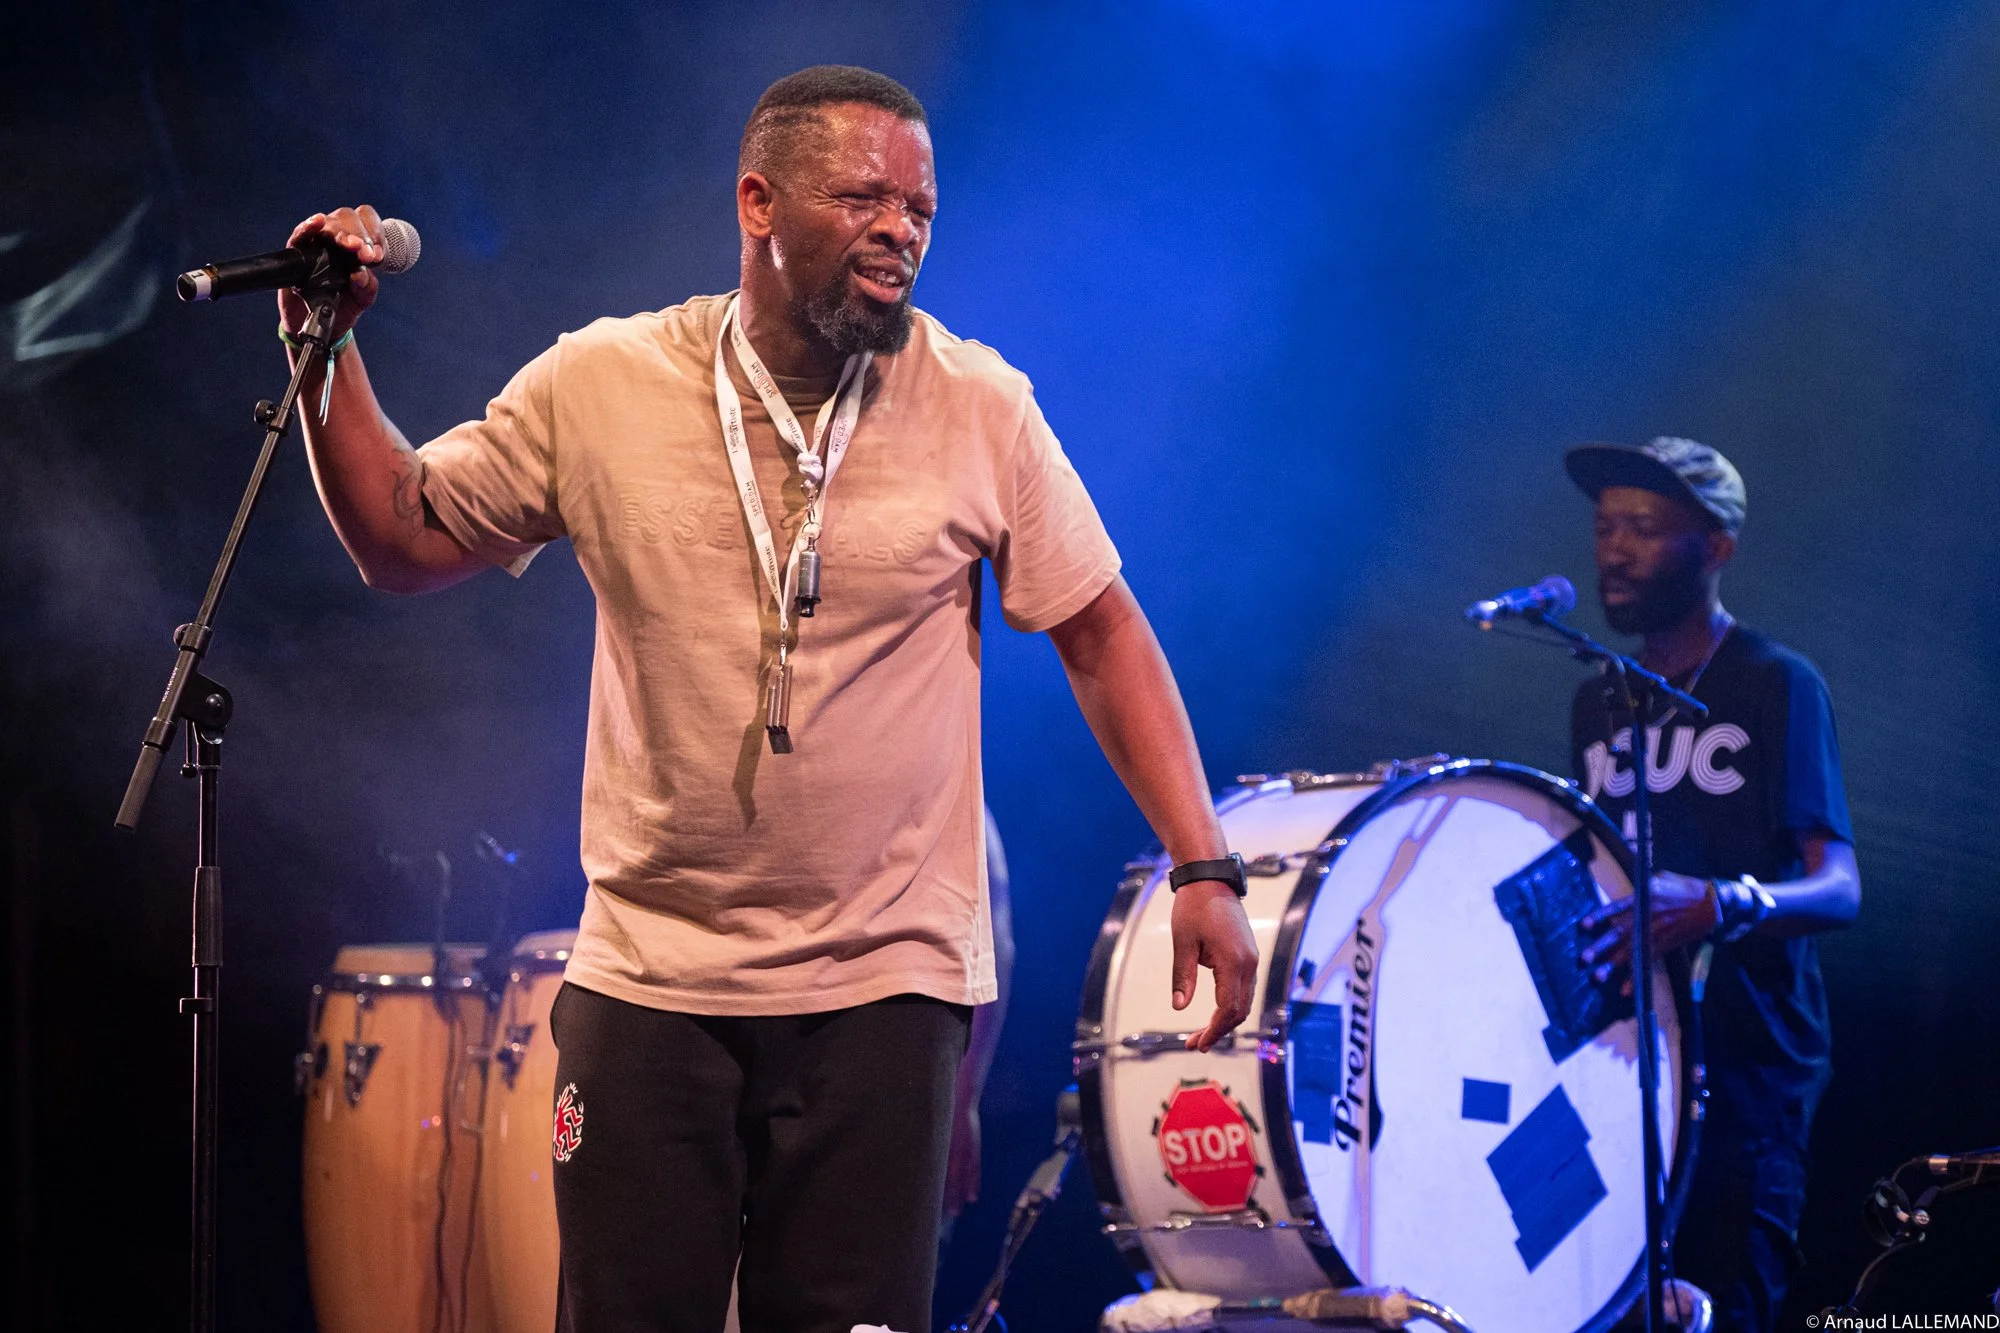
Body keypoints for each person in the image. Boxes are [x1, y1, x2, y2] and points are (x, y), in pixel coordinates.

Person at [279, 65, 1257, 1333]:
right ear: (757, 203)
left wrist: (1202, 866)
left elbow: (1102, 630)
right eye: (863, 199)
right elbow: (401, 537)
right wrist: (325, 348)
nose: (899, 230)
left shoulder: (979, 405)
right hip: (650, 982)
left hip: (881, 991)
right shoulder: (602, 383)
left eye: (919, 208)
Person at [1566, 438, 1861, 1333]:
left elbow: (1840, 887)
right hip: (1626, 1071)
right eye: (1606, 526)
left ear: (1717, 546)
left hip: (1747, 1080)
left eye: (1644, 528)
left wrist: (1718, 902)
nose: (1615, 550)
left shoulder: (1775, 683)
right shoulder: (1598, 701)